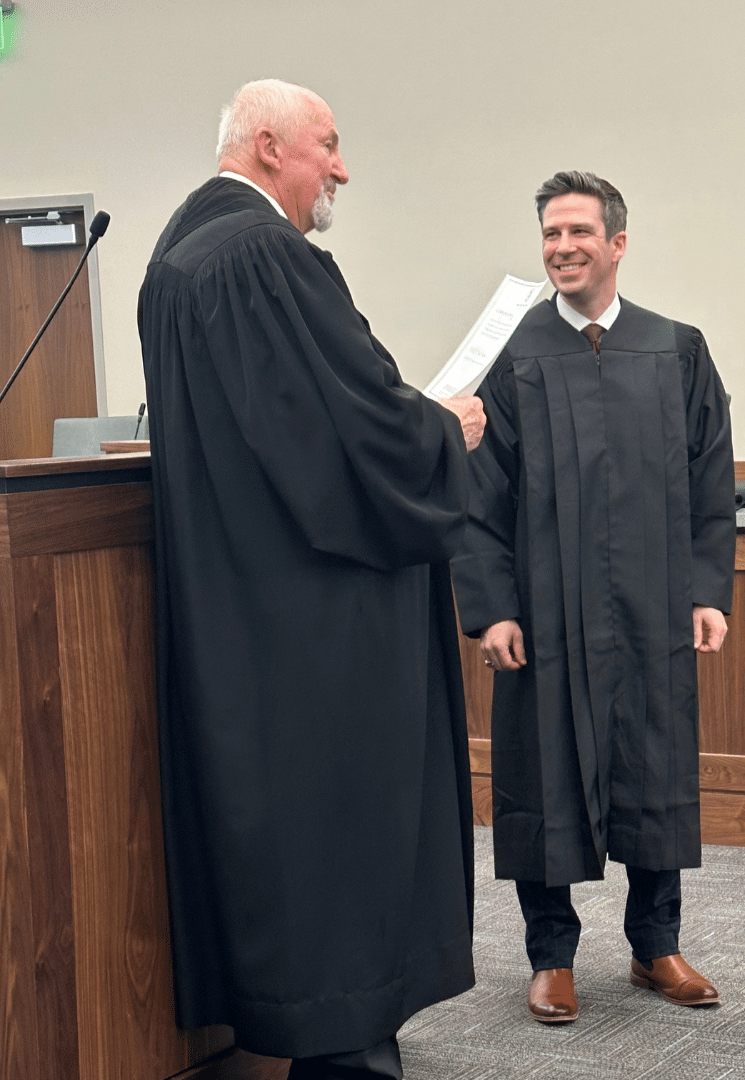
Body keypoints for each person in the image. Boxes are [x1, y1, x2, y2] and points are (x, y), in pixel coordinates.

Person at [138, 79, 486, 1080]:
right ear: (263, 144)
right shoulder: (261, 256)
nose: (341, 168)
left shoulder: (175, 257)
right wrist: (442, 430)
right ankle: (343, 1051)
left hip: (241, 606)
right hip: (315, 622)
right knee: (339, 839)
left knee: (287, 844)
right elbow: (350, 441)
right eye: (326, 146)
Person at [451, 171, 735, 1023]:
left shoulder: (675, 348)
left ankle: (657, 945)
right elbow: (479, 494)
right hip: (545, 613)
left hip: (652, 607)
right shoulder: (515, 358)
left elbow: (709, 477)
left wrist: (706, 589)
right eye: (549, 234)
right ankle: (551, 956)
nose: (561, 247)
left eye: (577, 232)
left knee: (654, 764)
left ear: (616, 243)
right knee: (543, 769)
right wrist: (493, 605)